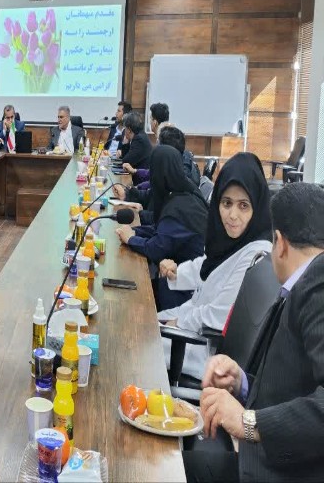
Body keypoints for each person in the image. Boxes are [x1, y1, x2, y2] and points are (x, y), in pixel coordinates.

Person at [183, 183, 324, 482]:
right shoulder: (303, 284)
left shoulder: (318, 285)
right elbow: (297, 385)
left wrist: (248, 421)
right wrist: (242, 383)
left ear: (280, 243)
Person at [157, 153, 272, 380]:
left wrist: (179, 321)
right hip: (190, 331)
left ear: (257, 207)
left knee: (137, 344)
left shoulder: (256, 253)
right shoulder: (231, 241)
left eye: (243, 206)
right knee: (139, 327)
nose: (232, 215)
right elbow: (207, 265)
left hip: (204, 352)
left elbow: (219, 315)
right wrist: (176, 273)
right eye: (226, 203)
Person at [116, 145, 208, 310]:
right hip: (176, 276)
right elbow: (161, 230)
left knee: (127, 301)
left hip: (184, 291)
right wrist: (134, 231)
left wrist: (131, 239)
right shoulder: (183, 191)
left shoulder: (180, 207)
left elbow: (157, 248)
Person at [118, 126, 200, 207]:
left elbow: (159, 211)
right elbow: (151, 195)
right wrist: (128, 194)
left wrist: (140, 212)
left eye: (158, 142)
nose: (156, 146)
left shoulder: (179, 190)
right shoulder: (173, 170)